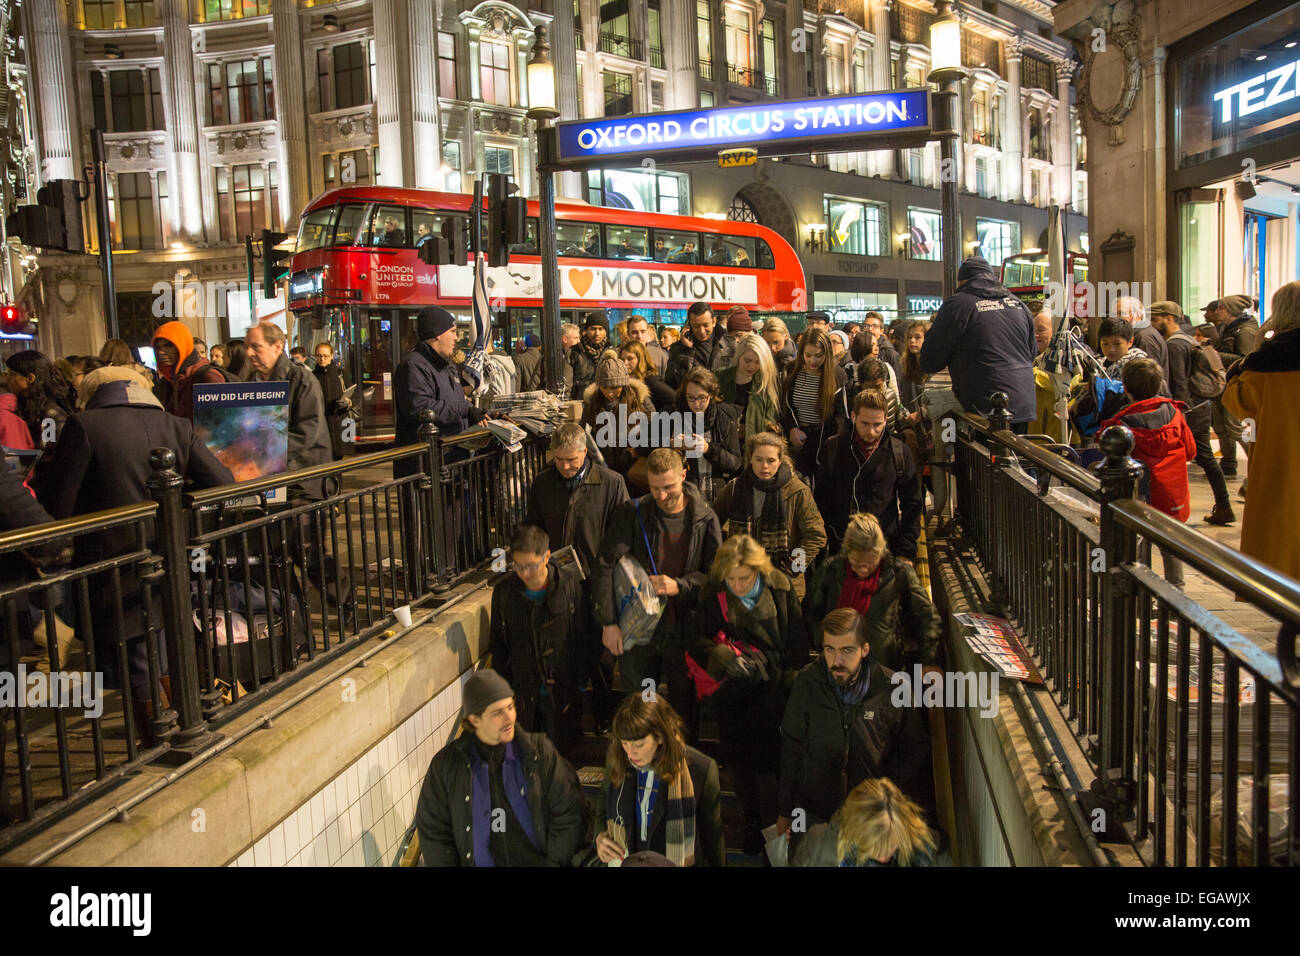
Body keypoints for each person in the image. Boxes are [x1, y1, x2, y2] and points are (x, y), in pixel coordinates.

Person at [33, 365, 233, 743]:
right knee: (162, 645)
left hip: (114, 561)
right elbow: (222, 483)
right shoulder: (176, 426)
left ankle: (160, 739)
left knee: (137, 656)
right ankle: (185, 727)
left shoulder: (84, 426)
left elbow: (59, 506)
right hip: (170, 558)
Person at [687, 534, 806, 853]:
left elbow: (797, 643)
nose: (738, 585)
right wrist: (723, 657)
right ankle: (752, 821)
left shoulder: (779, 587)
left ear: (758, 571)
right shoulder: (713, 593)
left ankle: (776, 833)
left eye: (745, 578)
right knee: (740, 767)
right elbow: (696, 639)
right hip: (734, 694)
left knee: (772, 770)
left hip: (774, 693)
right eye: (732, 579)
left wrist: (791, 688)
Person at [592, 447, 722, 738]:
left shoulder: (705, 518)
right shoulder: (633, 512)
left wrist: (681, 586)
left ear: (684, 475)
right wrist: (608, 622)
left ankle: (683, 770)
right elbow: (604, 564)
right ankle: (640, 767)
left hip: (683, 628)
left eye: (668, 487)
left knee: (683, 710)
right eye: (654, 488)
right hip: (639, 629)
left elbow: (716, 576)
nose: (662, 496)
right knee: (640, 704)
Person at [776, 608, 930, 841]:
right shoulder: (808, 682)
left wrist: (884, 785)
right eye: (830, 649)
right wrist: (785, 810)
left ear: (864, 649)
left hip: (870, 814)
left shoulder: (892, 687)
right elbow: (792, 746)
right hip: (815, 811)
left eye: (847, 650)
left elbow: (914, 745)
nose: (837, 661)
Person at [414, 668, 587, 866]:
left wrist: (553, 863)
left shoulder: (539, 752)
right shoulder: (446, 766)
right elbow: (434, 832)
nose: (509, 718)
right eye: (497, 713)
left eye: (510, 707)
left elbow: (566, 813)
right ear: (474, 719)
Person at [525, 422, 629, 730]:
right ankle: (570, 719)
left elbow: (622, 531)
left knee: (600, 653)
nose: (565, 466)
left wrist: (607, 567)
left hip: (599, 580)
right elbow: (534, 527)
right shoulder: (543, 484)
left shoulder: (611, 483)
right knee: (565, 649)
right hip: (558, 580)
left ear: (585, 452)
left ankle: (603, 712)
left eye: (572, 459)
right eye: (559, 459)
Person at [488, 525, 589, 760]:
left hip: (563, 693)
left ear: (546, 557)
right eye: (518, 566)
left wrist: (581, 680)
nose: (525, 573)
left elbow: (583, 635)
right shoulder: (505, 593)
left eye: (532, 566)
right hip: (524, 695)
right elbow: (499, 647)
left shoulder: (567, 585)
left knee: (563, 759)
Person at [1222, 281, 1300, 583]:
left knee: (1282, 539)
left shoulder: (1269, 359)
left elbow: (1238, 401)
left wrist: (1255, 349)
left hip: (1281, 461)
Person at [594, 694, 725, 867]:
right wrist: (599, 836)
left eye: (639, 745)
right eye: (625, 743)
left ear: (660, 737)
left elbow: (713, 838)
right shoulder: (618, 758)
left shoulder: (701, 769)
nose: (630, 754)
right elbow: (604, 803)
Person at [805, 505, 942, 669]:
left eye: (869, 564)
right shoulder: (830, 571)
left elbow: (927, 617)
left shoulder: (898, 573)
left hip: (883, 667)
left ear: (880, 553)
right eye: (857, 564)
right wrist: (825, 641)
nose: (863, 570)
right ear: (847, 554)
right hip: (837, 666)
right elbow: (810, 612)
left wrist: (929, 660)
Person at [1100, 359, 1196, 589]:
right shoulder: (1175, 414)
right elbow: (1191, 452)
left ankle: (1137, 594)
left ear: (1126, 388)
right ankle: (1177, 598)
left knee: (1136, 546)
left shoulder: (1120, 425)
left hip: (1139, 499)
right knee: (1171, 548)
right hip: (1173, 497)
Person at [919, 255, 1037, 427]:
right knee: (1014, 452)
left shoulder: (958, 305)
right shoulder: (1018, 304)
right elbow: (1031, 353)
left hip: (984, 404)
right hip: (1023, 402)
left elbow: (930, 360)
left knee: (987, 452)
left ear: (962, 282)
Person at [710, 431, 825, 598]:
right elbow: (711, 523)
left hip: (784, 586)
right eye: (759, 460)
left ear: (780, 461)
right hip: (742, 581)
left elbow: (816, 535)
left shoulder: (797, 491)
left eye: (771, 460)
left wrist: (793, 567)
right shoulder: (735, 488)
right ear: (750, 459)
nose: (765, 466)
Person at [1150, 300, 1234, 526]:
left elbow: (1178, 382)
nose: (1152, 323)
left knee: (1195, 458)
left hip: (1190, 410)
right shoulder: (1187, 339)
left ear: (1169, 318)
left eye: (1156, 319)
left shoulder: (1175, 345)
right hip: (1201, 406)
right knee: (1205, 457)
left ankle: (1213, 506)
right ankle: (1223, 506)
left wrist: (1179, 415)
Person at [817, 388, 923, 562]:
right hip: (842, 548)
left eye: (877, 425)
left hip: (884, 549)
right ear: (853, 416)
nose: (871, 431)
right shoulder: (834, 448)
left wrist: (906, 552)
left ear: (885, 420)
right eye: (865, 424)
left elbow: (912, 504)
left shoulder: (898, 452)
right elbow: (821, 500)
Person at [394, 305, 487, 475]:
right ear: (437, 334)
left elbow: (454, 404)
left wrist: (481, 417)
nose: (456, 338)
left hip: (451, 461)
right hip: (427, 469)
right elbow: (420, 408)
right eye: (452, 331)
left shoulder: (446, 365)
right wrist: (466, 410)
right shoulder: (413, 366)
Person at [794, 777, 947, 867]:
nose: (884, 858)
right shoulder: (821, 848)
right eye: (874, 847)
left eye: (893, 845)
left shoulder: (924, 846)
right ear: (855, 831)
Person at [780, 326, 848, 489]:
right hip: (798, 440)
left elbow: (841, 416)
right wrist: (792, 429)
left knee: (825, 492)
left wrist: (833, 444)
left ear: (827, 354)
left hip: (825, 441)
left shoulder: (837, 375)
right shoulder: (792, 371)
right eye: (808, 355)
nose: (813, 361)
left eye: (818, 356)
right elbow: (785, 407)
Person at [668, 367, 741, 502]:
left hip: (717, 494)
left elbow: (735, 463)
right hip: (684, 494)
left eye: (702, 398)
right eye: (691, 398)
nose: (696, 404)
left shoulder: (723, 417)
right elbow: (644, 446)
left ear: (711, 395)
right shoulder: (674, 415)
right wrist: (671, 444)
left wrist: (708, 448)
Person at [582, 353, 655, 481]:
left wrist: (640, 449)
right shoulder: (592, 403)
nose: (610, 393)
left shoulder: (640, 401)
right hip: (604, 468)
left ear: (624, 384)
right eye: (605, 387)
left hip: (633, 467)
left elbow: (654, 430)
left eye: (615, 387)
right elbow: (583, 433)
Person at [1210, 294, 1258, 481]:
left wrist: (1215, 354)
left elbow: (1245, 358)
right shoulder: (1228, 329)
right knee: (1221, 426)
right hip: (1224, 383)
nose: (1216, 311)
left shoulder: (1244, 331)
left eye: (1220, 307)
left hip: (1236, 383)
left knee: (1234, 427)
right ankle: (1228, 464)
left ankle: (1255, 462)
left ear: (1229, 309)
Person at [151, 320, 229, 420]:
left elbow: (221, 421)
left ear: (182, 345)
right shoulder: (169, 381)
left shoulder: (208, 375)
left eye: (169, 346)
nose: (161, 352)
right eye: (158, 347)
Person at [716, 332, 782, 448]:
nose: (751, 367)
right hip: (723, 448)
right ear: (738, 356)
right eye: (747, 361)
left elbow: (771, 420)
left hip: (754, 450)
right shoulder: (719, 378)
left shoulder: (767, 383)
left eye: (758, 362)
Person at [3, 351, 71, 448]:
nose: (7, 379)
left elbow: (47, 453)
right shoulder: (24, 404)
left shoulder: (51, 414)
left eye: (12, 374)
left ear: (30, 378)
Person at [664, 301, 734, 388]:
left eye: (706, 325)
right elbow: (673, 382)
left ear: (714, 322)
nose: (702, 331)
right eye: (696, 326)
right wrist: (687, 352)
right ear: (689, 325)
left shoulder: (729, 344)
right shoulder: (678, 348)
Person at [312, 342, 351, 460]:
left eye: (325, 356)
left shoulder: (341, 374)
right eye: (319, 356)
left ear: (331, 356)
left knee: (338, 460)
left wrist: (348, 402)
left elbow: (353, 394)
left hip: (340, 424)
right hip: (321, 426)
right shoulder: (311, 376)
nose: (322, 359)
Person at [1116, 296, 1169, 382]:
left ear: (1138, 315)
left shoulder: (1144, 337)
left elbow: (1148, 376)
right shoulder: (1139, 334)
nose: (1116, 318)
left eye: (1121, 313)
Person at [618, 339, 675, 411]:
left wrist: (658, 419)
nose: (625, 363)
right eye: (622, 359)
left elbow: (675, 399)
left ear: (640, 359)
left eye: (630, 359)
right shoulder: (620, 379)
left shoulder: (651, 381)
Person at [569, 313, 606, 400]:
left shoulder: (612, 352)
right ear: (586, 330)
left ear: (606, 331)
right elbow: (567, 383)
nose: (597, 333)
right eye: (593, 329)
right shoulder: (574, 352)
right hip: (581, 403)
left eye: (600, 329)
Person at [863, 312, 902, 382]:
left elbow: (897, 382)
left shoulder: (889, 353)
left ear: (881, 331)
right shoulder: (859, 349)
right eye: (867, 326)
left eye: (874, 326)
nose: (870, 329)